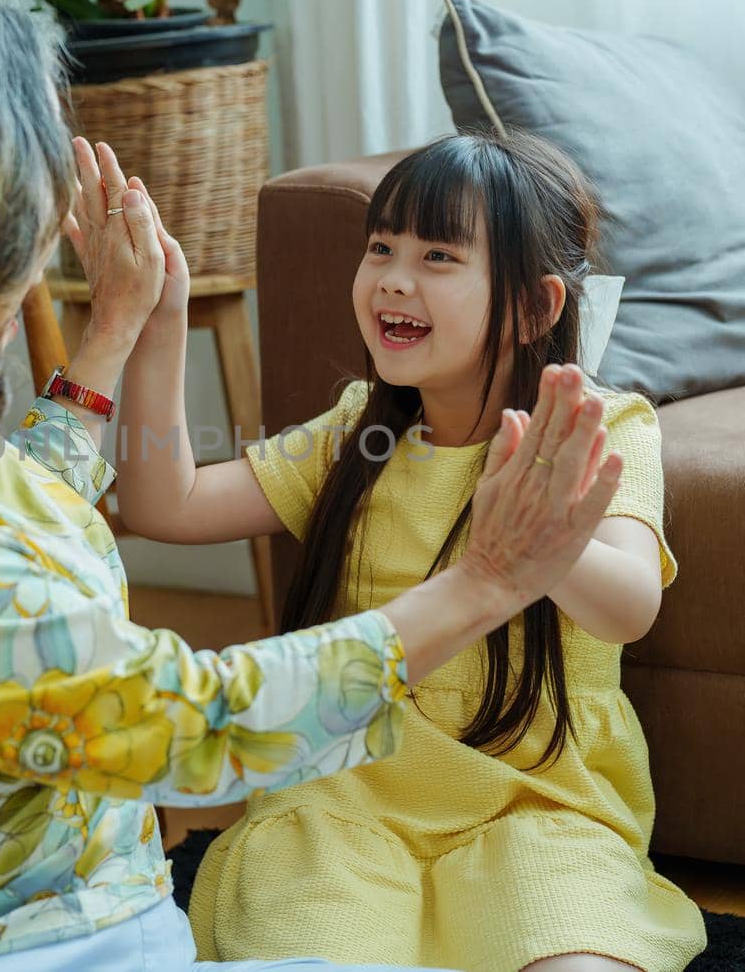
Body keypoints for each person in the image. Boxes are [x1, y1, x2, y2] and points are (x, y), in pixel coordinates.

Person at [0, 0, 621, 972]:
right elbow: (197, 728)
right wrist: (485, 579)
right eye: (40, 154)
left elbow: (10, 537)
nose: (59, 192)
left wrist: (111, 334)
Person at [117, 132, 707, 971]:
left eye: (438, 255)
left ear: (537, 307)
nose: (394, 276)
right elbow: (161, 503)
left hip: (536, 804)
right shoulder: (358, 434)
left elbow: (630, 606)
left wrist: (543, 541)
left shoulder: (603, 428)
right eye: (381, 247)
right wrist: (158, 315)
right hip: (343, 804)